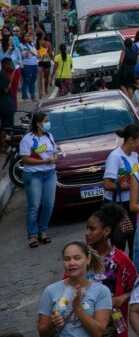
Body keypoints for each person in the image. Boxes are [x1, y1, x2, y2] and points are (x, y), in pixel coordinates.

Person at [84, 204, 137, 337]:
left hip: (111, 323)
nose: (87, 233)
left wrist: (124, 296)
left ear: (106, 231)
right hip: (84, 320)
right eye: (86, 228)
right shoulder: (80, 256)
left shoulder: (121, 259)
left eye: (92, 229)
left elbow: (138, 286)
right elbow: (67, 282)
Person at [37, 241, 111, 337]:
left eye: (77, 258)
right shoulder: (50, 290)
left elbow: (98, 332)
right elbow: (42, 333)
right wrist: (52, 322)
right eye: (67, 259)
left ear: (88, 259)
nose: (71, 263)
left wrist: (78, 308)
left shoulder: (102, 291)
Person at [20, 111, 59, 248]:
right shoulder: (27, 139)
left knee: (48, 204)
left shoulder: (49, 136)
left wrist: (54, 158)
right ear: (38, 123)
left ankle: (43, 231)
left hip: (50, 174)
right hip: (34, 175)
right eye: (45, 121)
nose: (48, 124)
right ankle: (32, 235)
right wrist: (43, 162)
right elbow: (25, 159)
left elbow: (55, 153)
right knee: (34, 205)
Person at [0, 57, 16, 154]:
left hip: (6, 105)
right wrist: (11, 80)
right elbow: (6, 90)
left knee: (6, 127)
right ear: (5, 65)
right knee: (6, 128)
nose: (12, 66)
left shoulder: (4, 75)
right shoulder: (2, 76)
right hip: (5, 106)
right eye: (10, 64)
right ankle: (2, 148)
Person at [20, 32, 39, 101]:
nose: (27, 37)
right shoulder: (21, 45)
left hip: (34, 64)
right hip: (27, 65)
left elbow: (36, 54)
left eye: (28, 36)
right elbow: (23, 55)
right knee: (26, 81)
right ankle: (25, 97)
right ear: (23, 37)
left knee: (33, 81)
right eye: (26, 36)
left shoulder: (32, 45)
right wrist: (28, 53)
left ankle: (33, 96)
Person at [37, 32, 53, 97]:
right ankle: (43, 91)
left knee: (43, 77)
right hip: (44, 61)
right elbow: (50, 53)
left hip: (42, 61)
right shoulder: (47, 43)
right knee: (44, 77)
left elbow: (50, 53)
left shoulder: (39, 43)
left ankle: (42, 91)